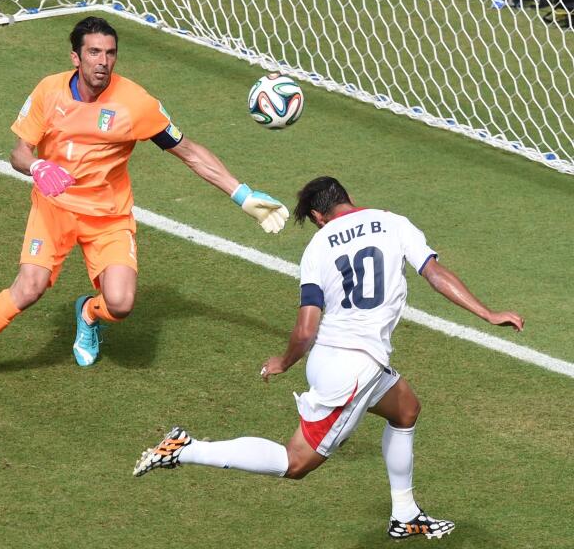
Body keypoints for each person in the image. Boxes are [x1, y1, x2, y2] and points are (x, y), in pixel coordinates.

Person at [133, 176, 525, 540]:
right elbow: (435, 273)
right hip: (353, 368)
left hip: (339, 358)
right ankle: (184, 448)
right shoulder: (392, 222)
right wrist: (488, 313)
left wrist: (284, 360)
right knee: (295, 463)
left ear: (319, 216)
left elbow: (306, 328)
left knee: (405, 409)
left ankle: (405, 516)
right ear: (346, 198)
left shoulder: (318, 247)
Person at [0, 16, 289, 393]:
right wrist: (37, 166)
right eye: (94, 52)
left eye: (110, 53)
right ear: (76, 57)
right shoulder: (49, 92)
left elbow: (188, 151)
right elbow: (19, 152)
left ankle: (88, 313)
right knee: (28, 288)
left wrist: (242, 194)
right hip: (54, 210)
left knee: (119, 304)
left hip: (108, 217)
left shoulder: (135, 103)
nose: (103, 61)